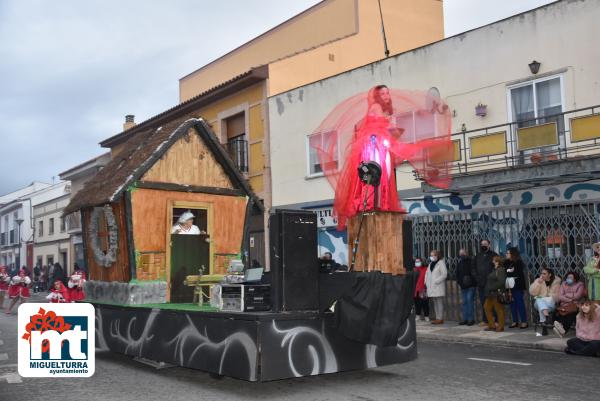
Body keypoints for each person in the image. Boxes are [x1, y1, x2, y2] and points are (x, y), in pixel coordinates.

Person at [529, 267, 561, 335]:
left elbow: (558, 297)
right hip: (538, 304)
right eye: (541, 273)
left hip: (551, 304)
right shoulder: (538, 280)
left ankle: (544, 324)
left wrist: (546, 296)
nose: (542, 275)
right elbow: (532, 292)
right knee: (539, 300)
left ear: (549, 274)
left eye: (544, 273)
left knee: (541, 303)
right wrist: (538, 283)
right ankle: (545, 315)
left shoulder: (556, 282)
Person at [553, 271, 585, 337]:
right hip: (564, 305)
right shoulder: (563, 284)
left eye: (570, 277)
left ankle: (562, 330)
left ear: (575, 279)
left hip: (575, 305)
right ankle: (561, 329)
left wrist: (566, 295)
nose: (568, 279)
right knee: (557, 312)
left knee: (571, 314)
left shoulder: (580, 285)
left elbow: (578, 296)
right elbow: (560, 296)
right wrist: (570, 299)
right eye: (568, 277)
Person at [475, 239, 497, 325]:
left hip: (490, 283)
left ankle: (494, 320)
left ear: (489, 245)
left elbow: (497, 267)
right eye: (482, 244)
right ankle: (485, 320)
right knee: (483, 302)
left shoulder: (494, 255)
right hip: (481, 283)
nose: (483, 245)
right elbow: (473, 267)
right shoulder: (478, 255)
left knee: (493, 302)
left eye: (485, 244)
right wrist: (477, 277)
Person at [505, 247, 528, 329]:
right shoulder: (506, 262)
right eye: (506, 253)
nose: (506, 254)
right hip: (509, 286)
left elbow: (518, 274)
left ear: (512, 254)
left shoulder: (518, 263)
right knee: (512, 304)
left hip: (517, 286)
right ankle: (515, 321)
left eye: (508, 253)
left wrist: (511, 276)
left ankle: (524, 321)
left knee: (519, 303)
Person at [483, 256, 507, 332]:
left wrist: (491, 287)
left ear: (497, 261)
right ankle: (491, 325)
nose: (492, 261)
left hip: (497, 293)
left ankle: (501, 326)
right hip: (491, 294)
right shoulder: (495, 270)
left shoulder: (500, 270)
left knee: (499, 309)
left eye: (493, 260)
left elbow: (502, 282)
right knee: (486, 307)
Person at [424, 250, 447, 324]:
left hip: (438, 286)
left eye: (433, 255)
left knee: (439, 302)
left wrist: (436, 281)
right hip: (431, 287)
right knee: (435, 302)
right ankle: (437, 318)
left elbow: (444, 274)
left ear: (437, 256)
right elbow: (427, 273)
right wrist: (426, 282)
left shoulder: (441, 263)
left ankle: (440, 318)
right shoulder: (431, 264)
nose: (432, 257)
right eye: (431, 255)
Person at [455, 249, 476, 326]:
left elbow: (473, 273)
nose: (461, 255)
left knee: (469, 301)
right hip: (463, 286)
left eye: (463, 253)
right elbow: (457, 273)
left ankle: (471, 319)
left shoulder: (471, 261)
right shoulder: (460, 262)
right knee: (464, 302)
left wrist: (472, 281)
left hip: (471, 285)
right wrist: (459, 281)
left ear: (466, 253)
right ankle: (465, 319)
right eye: (460, 253)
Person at [413, 257, 429, 322]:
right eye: (416, 262)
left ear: (422, 262)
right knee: (417, 303)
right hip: (415, 289)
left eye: (418, 261)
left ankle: (426, 316)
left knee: (425, 303)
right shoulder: (414, 270)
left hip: (423, 289)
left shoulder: (426, 269)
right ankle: (418, 315)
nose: (417, 263)